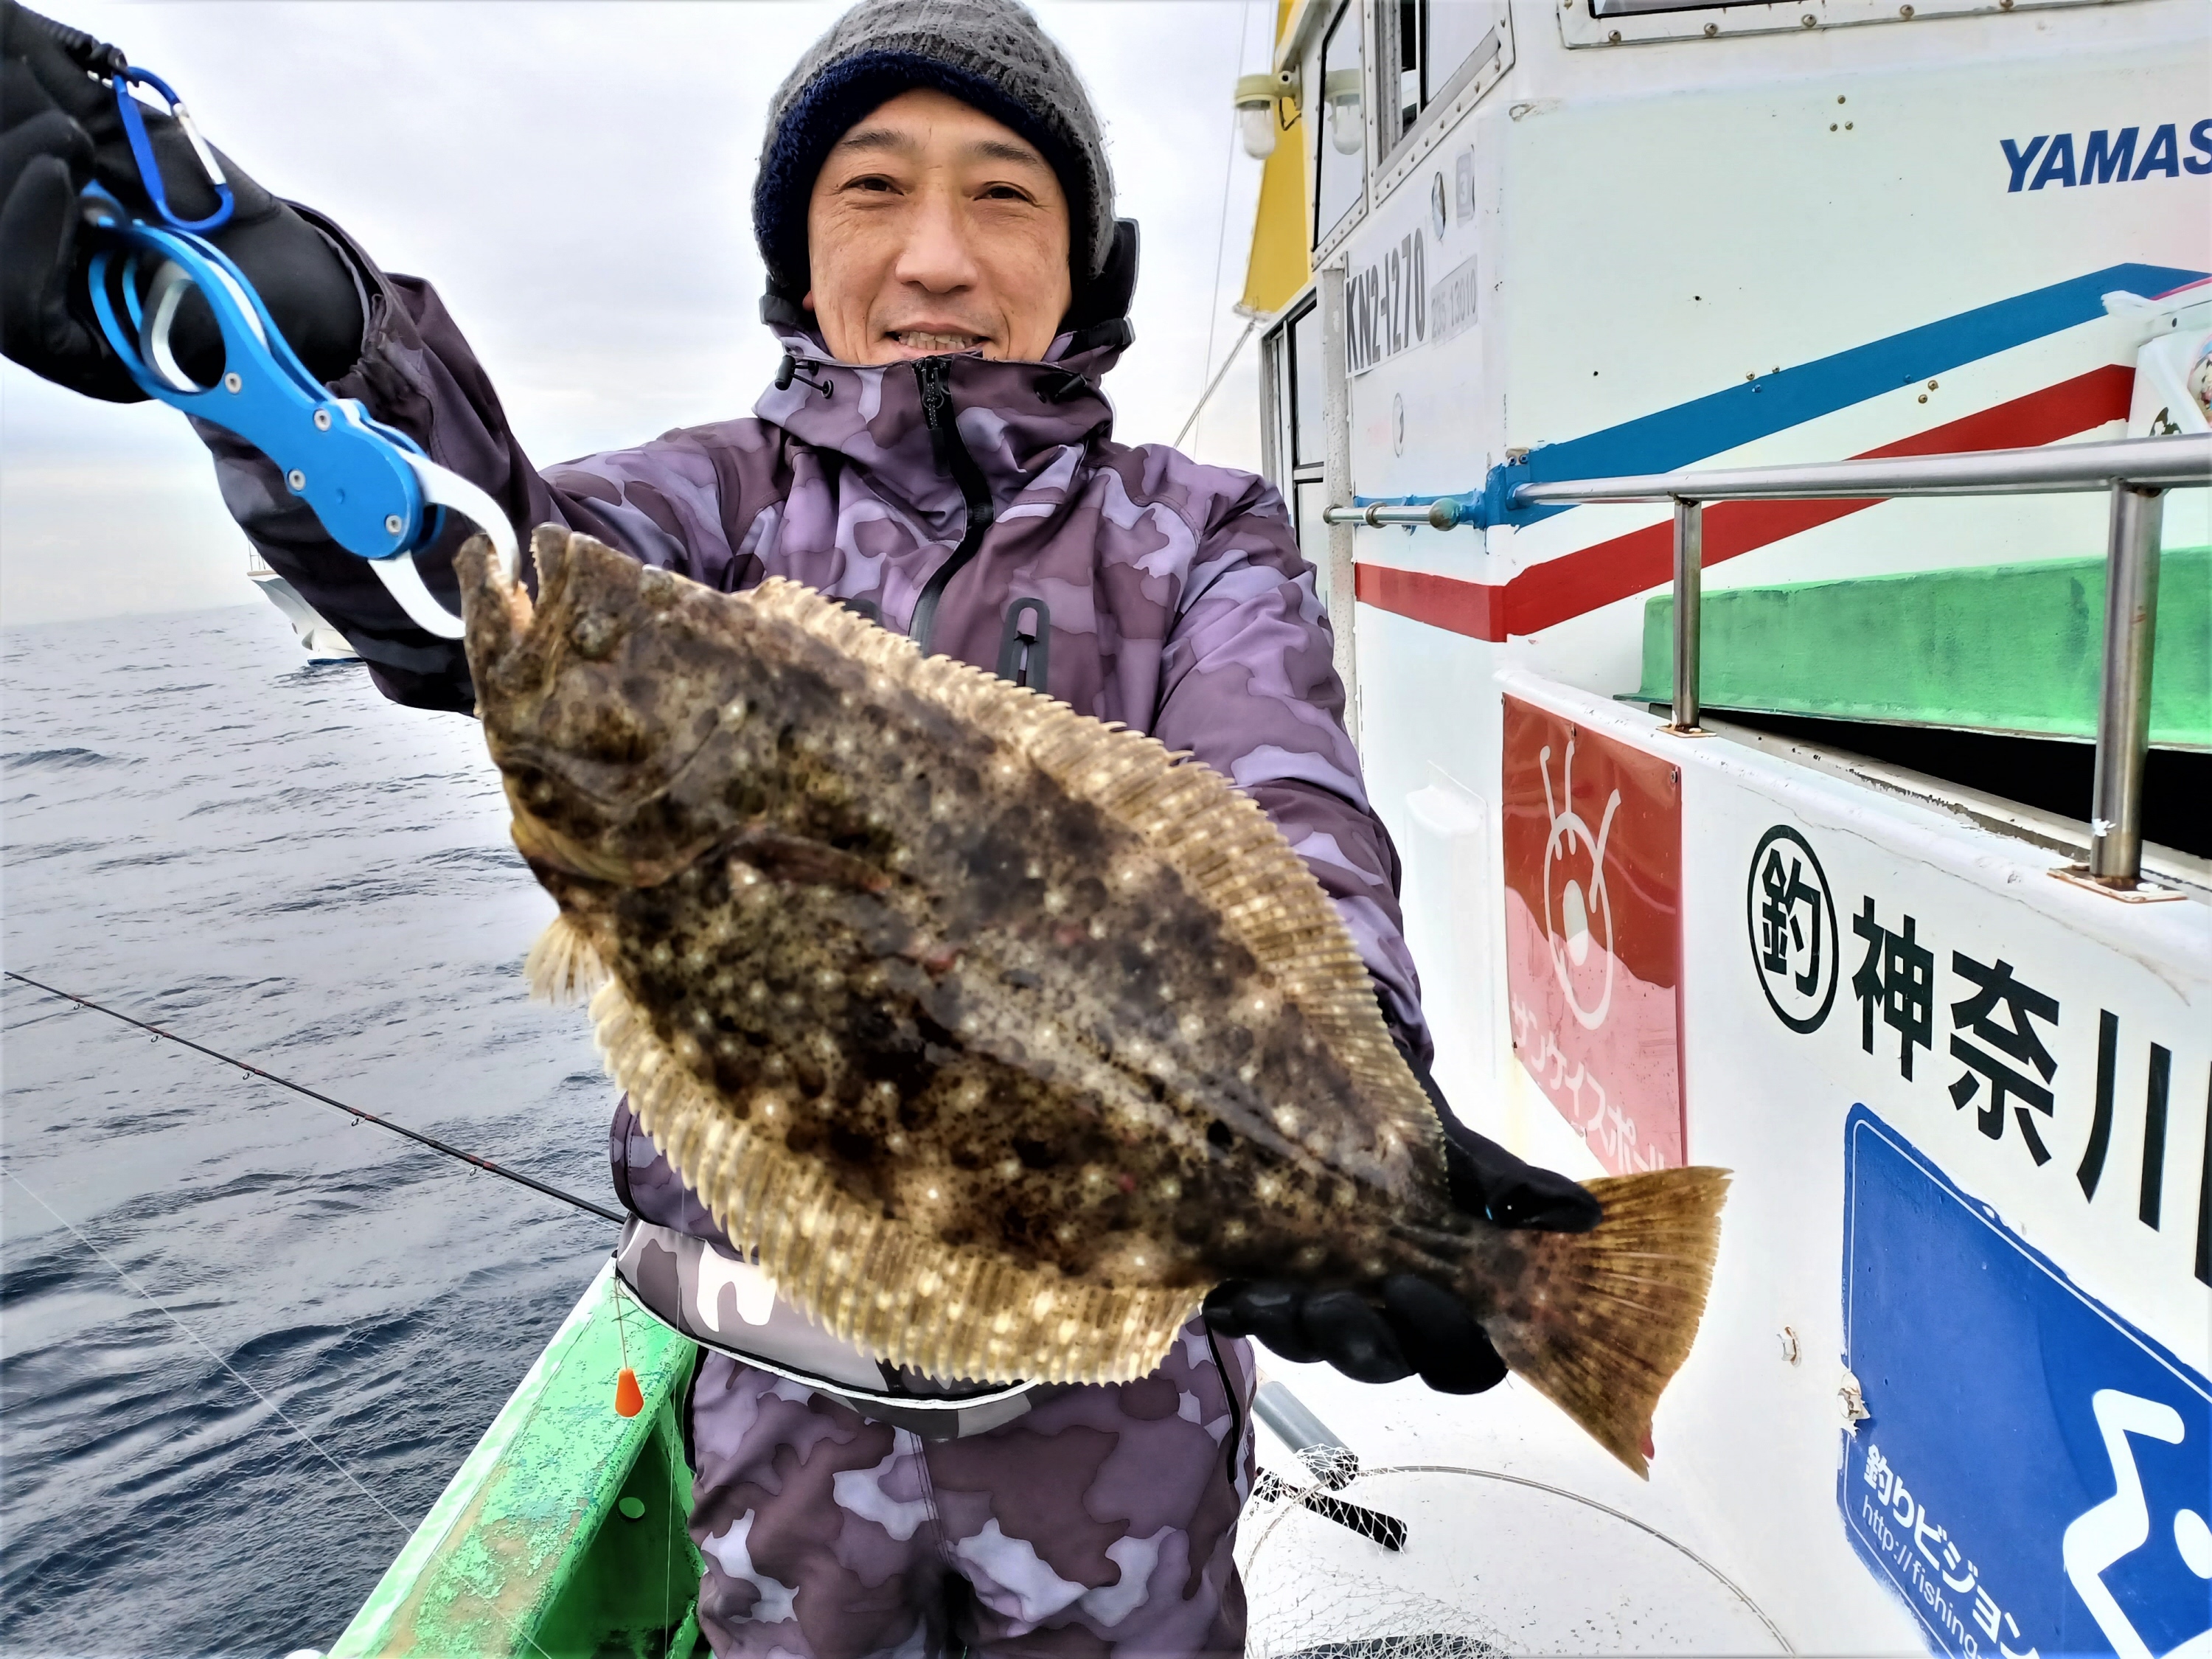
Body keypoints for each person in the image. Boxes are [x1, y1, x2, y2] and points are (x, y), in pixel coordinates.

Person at [0, 1, 1602, 1652]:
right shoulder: (708, 511)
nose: (933, 257)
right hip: (781, 1418)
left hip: (1121, 1443)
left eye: (1001, 196)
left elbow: (1285, 801)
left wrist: (1367, 1096)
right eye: (870, 191)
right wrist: (302, 342)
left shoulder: (1195, 534)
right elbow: (469, 571)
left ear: (1084, 256)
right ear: (797, 247)